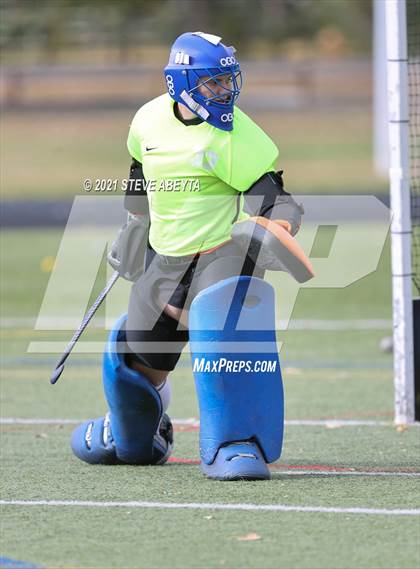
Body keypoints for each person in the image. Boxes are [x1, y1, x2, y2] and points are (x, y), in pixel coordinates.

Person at [71, 31, 312, 480]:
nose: (225, 92)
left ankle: (236, 440)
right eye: (212, 83)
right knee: (142, 359)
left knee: (223, 330)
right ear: (179, 84)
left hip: (223, 252)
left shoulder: (236, 135)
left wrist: (280, 223)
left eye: (227, 82)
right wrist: (135, 227)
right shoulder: (147, 121)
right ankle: (137, 432)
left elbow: (271, 195)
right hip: (167, 257)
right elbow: (139, 172)